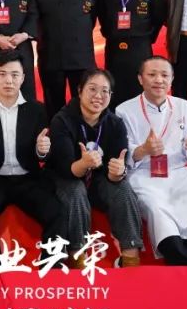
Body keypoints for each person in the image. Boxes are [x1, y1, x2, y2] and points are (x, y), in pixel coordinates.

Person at [115, 56, 187, 265]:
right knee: (158, 211)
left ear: (172, 79)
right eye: (152, 74)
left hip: (180, 174)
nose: (159, 80)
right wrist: (143, 150)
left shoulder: (184, 107)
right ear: (140, 79)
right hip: (144, 176)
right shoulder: (124, 110)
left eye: (164, 75)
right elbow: (124, 153)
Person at [0, 51, 64, 272]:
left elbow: (45, 153)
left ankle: (51, 270)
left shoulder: (37, 109)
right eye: (2, 74)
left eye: (14, 75)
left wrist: (42, 150)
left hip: (28, 178)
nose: (9, 80)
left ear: (23, 77)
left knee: (57, 212)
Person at [48, 68, 144, 267]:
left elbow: (116, 169)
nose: (98, 96)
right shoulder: (61, 120)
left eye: (104, 91)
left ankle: (130, 257)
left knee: (123, 190)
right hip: (66, 178)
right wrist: (83, 164)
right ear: (79, 90)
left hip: (99, 180)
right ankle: (77, 256)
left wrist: (118, 172)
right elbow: (65, 169)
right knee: (75, 191)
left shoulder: (115, 123)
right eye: (92, 89)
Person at [33, 0, 99, 119]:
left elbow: (91, 19)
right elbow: (34, 20)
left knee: (84, 102)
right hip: (51, 56)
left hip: (81, 56)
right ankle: (56, 135)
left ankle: (83, 135)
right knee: (53, 105)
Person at [96, 0, 165, 109]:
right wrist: (111, 33)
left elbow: (158, 17)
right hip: (114, 46)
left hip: (140, 46)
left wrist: (146, 37)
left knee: (140, 87)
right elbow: (102, 15)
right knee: (114, 88)